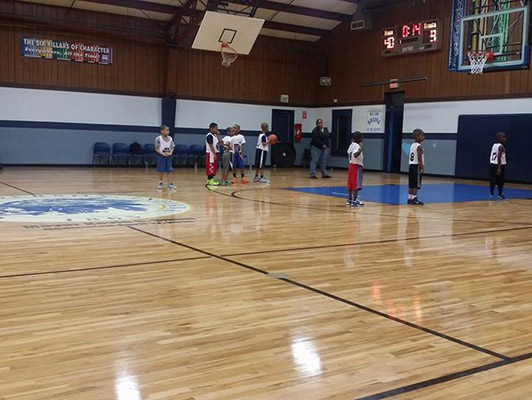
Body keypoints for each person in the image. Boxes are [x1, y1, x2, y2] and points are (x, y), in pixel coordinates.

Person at [155, 125, 175, 190]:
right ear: (162, 131)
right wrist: (162, 154)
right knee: (160, 170)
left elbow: (172, 147)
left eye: (168, 130)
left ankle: (169, 183)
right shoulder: (158, 139)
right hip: (161, 156)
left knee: (169, 170)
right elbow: (156, 148)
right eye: (166, 130)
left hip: (169, 156)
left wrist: (171, 152)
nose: (168, 131)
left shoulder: (170, 138)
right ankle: (160, 182)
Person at [408, 129, 426, 205]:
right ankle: (414, 198)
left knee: (411, 184)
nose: (423, 137)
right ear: (417, 136)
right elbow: (419, 158)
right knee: (416, 184)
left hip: (411, 165)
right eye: (422, 135)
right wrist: (421, 167)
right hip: (416, 166)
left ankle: (410, 198)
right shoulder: (419, 146)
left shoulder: (412, 145)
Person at [346, 131, 364, 207]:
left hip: (351, 165)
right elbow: (355, 154)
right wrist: (361, 149)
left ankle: (349, 199)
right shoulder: (357, 146)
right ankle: (355, 200)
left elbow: (348, 152)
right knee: (356, 184)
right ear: (358, 138)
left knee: (350, 183)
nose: (362, 139)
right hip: (356, 166)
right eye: (361, 138)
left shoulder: (351, 145)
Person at [489, 132, 507, 200]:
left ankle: (491, 194)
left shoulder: (494, 145)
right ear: (499, 138)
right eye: (504, 137)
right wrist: (499, 168)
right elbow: (499, 157)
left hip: (492, 164)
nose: (505, 138)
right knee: (501, 181)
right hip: (499, 165)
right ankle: (500, 194)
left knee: (492, 180)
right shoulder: (501, 146)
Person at [205, 122, 220, 186]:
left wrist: (218, 135)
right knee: (211, 166)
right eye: (216, 129)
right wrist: (214, 154)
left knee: (213, 166)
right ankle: (210, 180)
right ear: (211, 128)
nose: (217, 130)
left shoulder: (215, 135)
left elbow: (219, 142)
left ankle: (210, 179)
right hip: (211, 154)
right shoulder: (209, 135)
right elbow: (211, 145)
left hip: (215, 153)